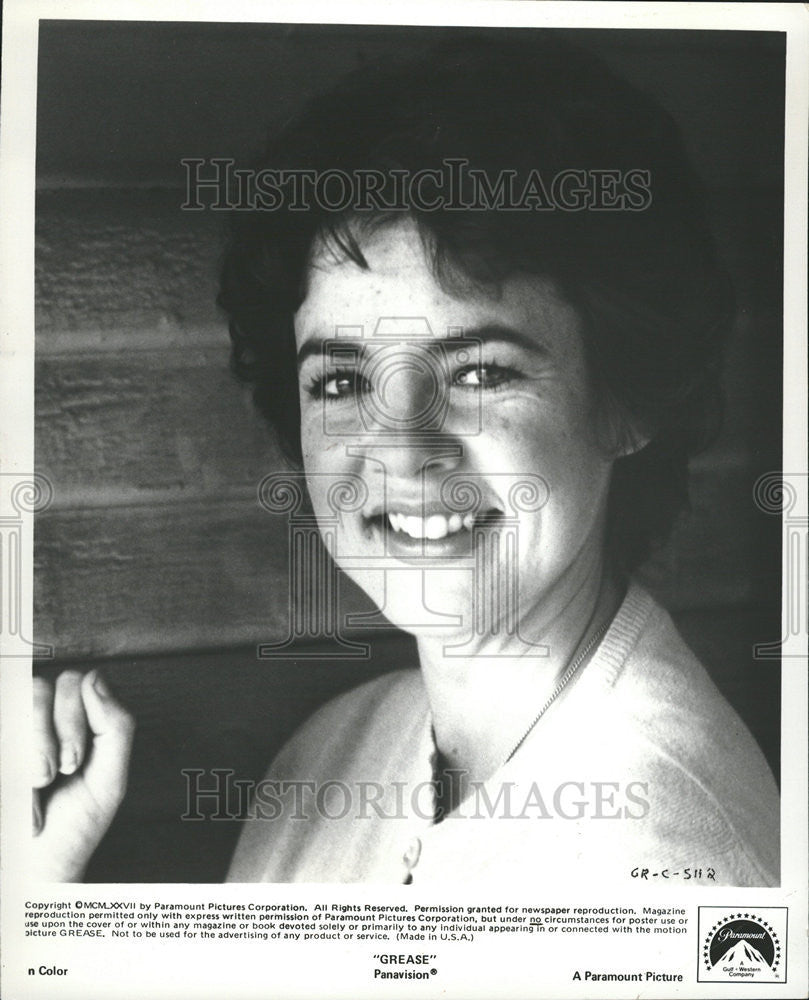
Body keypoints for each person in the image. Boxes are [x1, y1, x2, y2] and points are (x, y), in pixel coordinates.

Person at [32, 34, 779, 885]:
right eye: (342, 380)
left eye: (481, 371)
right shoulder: (329, 757)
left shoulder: (663, 862)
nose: (400, 449)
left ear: (626, 404)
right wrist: (36, 897)